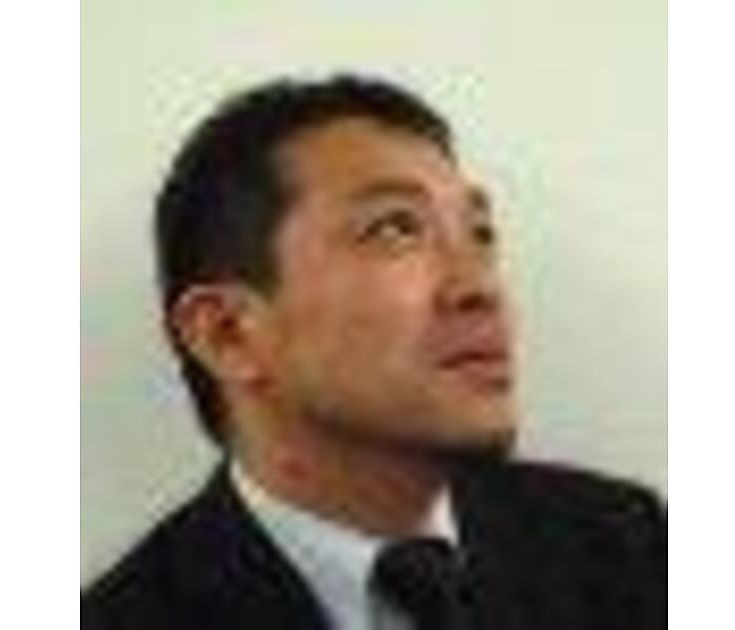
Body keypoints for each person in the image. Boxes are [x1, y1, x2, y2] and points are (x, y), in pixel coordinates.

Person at [81, 75, 665, 630]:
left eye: (480, 234)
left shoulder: (626, 545)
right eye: (395, 229)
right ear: (227, 334)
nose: (480, 288)